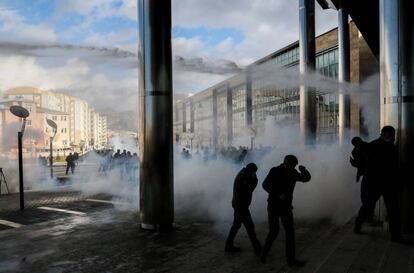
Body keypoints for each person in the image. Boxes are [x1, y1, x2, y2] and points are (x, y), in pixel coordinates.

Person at [354, 126, 405, 243]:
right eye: (391, 135)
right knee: (371, 207)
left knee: (391, 210)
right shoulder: (377, 146)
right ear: (386, 134)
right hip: (377, 184)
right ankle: (358, 225)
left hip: (384, 184)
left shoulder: (389, 147)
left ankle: (395, 236)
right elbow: (362, 151)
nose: (393, 137)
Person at [261, 155, 311, 267]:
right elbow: (265, 185)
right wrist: (278, 194)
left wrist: (304, 170)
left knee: (290, 233)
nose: (292, 168)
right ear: (285, 163)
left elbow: (306, 179)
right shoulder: (275, 171)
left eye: (294, 166)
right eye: (291, 166)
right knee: (274, 231)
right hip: (273, 206)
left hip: (286, 207)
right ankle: (263, 253)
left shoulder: (293, 172)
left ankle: (291, 260)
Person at [225, 163, 261, 256]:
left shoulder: (246, 174)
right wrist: (253, 179)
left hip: (240, 204)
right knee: (250, 227)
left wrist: (253, 178)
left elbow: (253, 183)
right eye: (254, 172)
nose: (254, 174)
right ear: (250, 171)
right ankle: (257, 248)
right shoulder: (243, 176)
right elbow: (250, 188)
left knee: (236, 225)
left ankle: (228, 246)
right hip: (240, 205)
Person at [350, 137, 374, 223]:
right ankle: (367, 216)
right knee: (364, 196)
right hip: (366, 175)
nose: (357, 146)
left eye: (357, 144)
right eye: (355, 145)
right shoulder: (355, 151)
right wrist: (353, 163)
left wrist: (355, 163)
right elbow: (360, 164)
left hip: (373, 175)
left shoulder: (369, 147)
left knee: (368, 198)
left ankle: (364, 218)